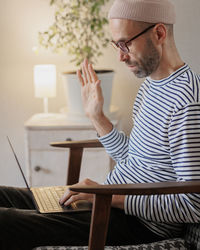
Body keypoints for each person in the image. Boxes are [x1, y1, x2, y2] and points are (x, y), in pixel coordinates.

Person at [0, 0, 200, 249]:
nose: (120, 56)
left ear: (159, 33)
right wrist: (97, 116)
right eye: (116, 45)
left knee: (5, 222)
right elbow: (133, 158)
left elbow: (193, 205)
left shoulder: (187, 100)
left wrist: (107, 197)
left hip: (136, 224)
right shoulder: (150, 86)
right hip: (109, 203)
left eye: (125, 43)